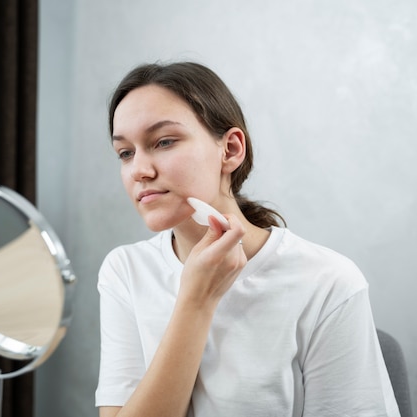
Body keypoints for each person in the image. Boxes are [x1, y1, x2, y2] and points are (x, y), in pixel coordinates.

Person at [95, 61, 400, 417]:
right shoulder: (126, 271)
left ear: (230, 150)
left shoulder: (327, 281)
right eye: (125, 153)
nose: (140, 171)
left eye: (164, 142)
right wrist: (195, 301)